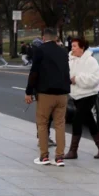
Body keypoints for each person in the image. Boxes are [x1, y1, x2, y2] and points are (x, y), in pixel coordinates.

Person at [25, 28, 69, 166]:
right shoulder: (63, 51)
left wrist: (29, 91)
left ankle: (44, 156)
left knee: (43, 123)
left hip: (46, 93)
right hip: (62, 94)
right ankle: (60, 157)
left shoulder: (40, 50)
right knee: (60, 124)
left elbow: (34, 72)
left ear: (44, 38)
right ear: (56, 38)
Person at [65, 36, 99, 160]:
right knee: (90, 121)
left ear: (82, 48)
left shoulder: (91, 61)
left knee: (77, 120)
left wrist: (77, 79)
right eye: (72, 46)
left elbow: (95, 79)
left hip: (89, 94)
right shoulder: (71, 60)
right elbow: (67, 75)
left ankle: (73, 151)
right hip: (76, 95)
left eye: (75, 46)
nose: (72, 49)